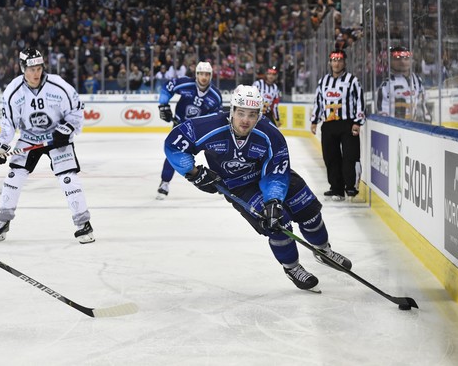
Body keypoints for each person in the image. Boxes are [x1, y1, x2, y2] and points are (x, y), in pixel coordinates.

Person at [164, 85, 352, 292]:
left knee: (308, 210)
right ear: (232, 111)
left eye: (252, 115)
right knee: (278, 225)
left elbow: (276, 172)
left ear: (259, 115)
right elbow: (173, 144)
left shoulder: (270, 134)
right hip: (238, 186)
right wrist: (193, 173)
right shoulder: (208, 126)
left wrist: (273, 200)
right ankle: (292, 267)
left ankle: (323, 250)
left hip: (269, 177)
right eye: (241, 113)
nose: (245, 120)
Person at [0, 48, 94, 244]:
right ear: (22, 69)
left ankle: (83, 225)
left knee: (67, 178)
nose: (36, 73)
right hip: (29, 138)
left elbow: (77, 111)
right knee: (13, 176)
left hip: (56, 137)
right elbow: (8, 123)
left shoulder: (58, 85)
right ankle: (3, 222)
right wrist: (0, 146)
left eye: (38, 68)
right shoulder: (13, 91)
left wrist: (66, 130)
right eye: (31, 69)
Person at [156, 61, 223, 199]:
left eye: (207, 74)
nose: (204, 77)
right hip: (180, 126)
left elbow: (216, 117)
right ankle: (165, 182)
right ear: (196, 75)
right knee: (175, 152)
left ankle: (222, 182)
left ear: (211, 76)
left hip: (200, 131)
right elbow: (167, 87)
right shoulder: (185, 83)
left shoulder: (216, 96)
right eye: (201, 74)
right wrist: (163, 105)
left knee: (215, 152)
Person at [310, 50, 365, 202]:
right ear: (330, 63)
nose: (336, 63)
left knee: (350, 156)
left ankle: (351, 186)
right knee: (331, 157)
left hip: (347, 124)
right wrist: (314, 121)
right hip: (328, 124)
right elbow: (319, 102)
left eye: (339, 60)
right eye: (334, 60)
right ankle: (336, 188)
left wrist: (357, 122)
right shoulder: (324, 81)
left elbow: (360, 101)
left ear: (344, 62)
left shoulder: (352, 80)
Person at [376, 46, 431, 122]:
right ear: (390, 61)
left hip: (414, 129)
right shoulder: (385, 86)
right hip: (395, 130)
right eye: (397, 58)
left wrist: (426, 121)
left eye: (406, 58)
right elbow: (382, 115)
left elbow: (422, 105)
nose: (402, 62)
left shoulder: (417, 81)